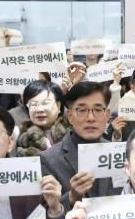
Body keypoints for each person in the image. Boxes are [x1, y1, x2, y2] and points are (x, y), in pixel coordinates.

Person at [40, 81, 122, 211]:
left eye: (98, 110)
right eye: (82, 110)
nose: (90, 118)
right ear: (70, 116)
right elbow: (42, 215)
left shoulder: (120, 154)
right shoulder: (48, 159)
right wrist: (71, 197)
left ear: (107, 115)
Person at [16, 81, 68, 156]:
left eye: (45, 103)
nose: (39, 109)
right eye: (33, 104)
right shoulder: (21, 137)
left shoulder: (74, 132)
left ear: (58, 105)